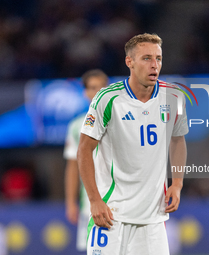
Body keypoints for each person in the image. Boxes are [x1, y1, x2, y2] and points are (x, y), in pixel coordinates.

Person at [77, 33, 188, 255]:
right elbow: (84, 150)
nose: (154, 65)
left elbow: (177, 141)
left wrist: (177, 183)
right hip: (111, 214)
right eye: (146, 58)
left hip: (153, 218)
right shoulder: (107, 99)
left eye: (158, 58)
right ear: (130, 62)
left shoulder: (173, 97)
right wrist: (94, 200)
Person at [64, 69, 108, 252]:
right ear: (85, 92)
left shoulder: (123, 120)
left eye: (101, 88)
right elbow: (73, 167)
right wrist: (70, 202)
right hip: (90, 204)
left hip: (122, 200)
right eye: (92, 88)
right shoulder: (77, 126)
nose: (97, 92)